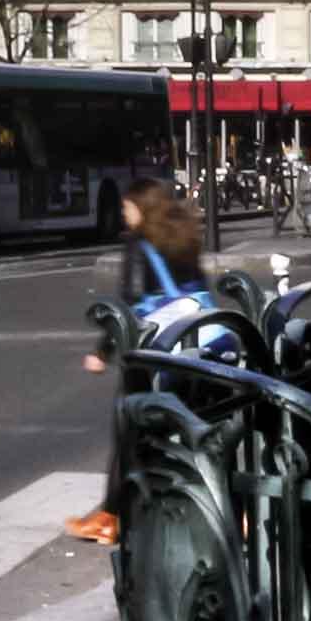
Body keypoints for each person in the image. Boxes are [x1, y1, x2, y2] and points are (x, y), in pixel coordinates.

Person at [64, 179, 192, 547]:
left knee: (128, 432)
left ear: (142, 208)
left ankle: (112, 517)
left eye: (128, 207)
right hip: (190, 344)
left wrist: (103, 350)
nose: (124, 213)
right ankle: (232, 512)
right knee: (187, 431)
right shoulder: (183, 237)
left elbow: (130, 305)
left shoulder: (139, 244)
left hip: (151, 351)